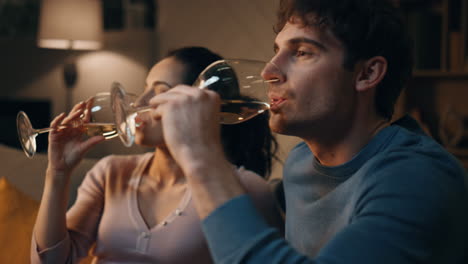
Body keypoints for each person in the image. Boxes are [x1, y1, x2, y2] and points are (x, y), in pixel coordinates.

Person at [145, 0, 468, 263]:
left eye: (301, 52)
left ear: (367, 73)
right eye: (277, 50)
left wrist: (201, 156)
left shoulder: (417, 176)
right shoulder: (302, 161)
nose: (269, 71)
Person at [30, 46, 283, 263]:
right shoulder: (111, 172)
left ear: (199, 104)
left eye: (160, 90)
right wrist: (57, 173)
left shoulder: (247, 189)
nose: (141, 102)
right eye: (145, 88)